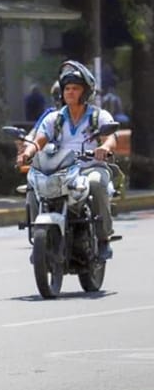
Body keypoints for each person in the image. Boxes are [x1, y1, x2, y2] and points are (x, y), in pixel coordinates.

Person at [17, 60, 118, 260]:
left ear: (86, 92)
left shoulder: (98, 116)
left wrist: (104, 148)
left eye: (76, 88)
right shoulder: (54, 118)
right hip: (60, 171)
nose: (70, 92)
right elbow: (38, 140)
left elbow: (111, 139)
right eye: (67, 88)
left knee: (97, 183)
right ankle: (38, 238)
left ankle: (103, 237)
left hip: (89, 168)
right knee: (32, 185)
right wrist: (27, 153)